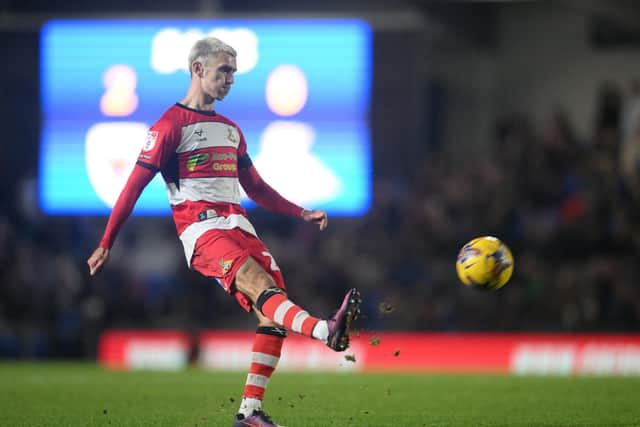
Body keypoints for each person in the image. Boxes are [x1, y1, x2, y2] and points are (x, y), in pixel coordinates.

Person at [87, 37, 361, 427]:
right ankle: (325, 330)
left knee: (273, 311)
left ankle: (249, 412)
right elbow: (132, 187)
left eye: (234, 72)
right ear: (198, 69)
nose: (231, 79)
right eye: (224, 70)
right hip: (202, 231)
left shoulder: (231, 130)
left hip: (239, 226)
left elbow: (256, 188)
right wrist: (105, 242)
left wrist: (301, 211)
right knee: (257, 284)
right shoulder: (169, 127)